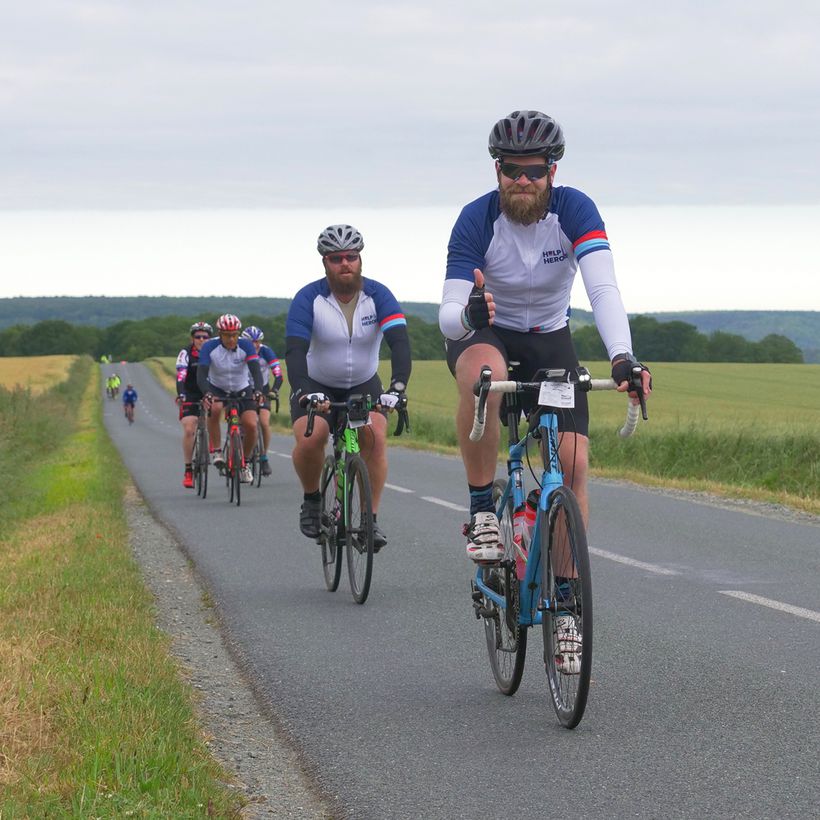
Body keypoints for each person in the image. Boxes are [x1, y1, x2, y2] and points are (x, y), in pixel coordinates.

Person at [439, 109, 652, 565]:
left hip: (550, 336)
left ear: (551, 171)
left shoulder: (574, 209)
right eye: (510, 169)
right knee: (485, 372)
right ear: (497, 170)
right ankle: (481, 510)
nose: (522, 179)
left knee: (573, 466)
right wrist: (469, 313)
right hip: (485, 331)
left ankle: (568, 603)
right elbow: (447, 316)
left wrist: (622, 357)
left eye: (533, 170)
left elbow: (602, 287)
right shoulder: (476, 218)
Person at [286, 224, 411, 550]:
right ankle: (312, 499)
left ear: (360, 259)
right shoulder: (309, 298)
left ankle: (370, 520)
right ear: (325, 263)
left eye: (351, 257)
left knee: (375, 438)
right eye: (336, 258)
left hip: (364, 383)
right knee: (311, 439)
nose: (345, 264)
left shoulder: (378, 295)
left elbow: (399, 343)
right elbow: (295, 351)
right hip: (316, 383)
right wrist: (302, 389)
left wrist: (397, 388)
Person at [197, 314, 265, 484]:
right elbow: (201, 373)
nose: (231, 338)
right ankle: (217, 451)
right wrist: (207, 392)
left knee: (251, 425)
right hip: (217, 387)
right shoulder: (209, 347)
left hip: (241, 387)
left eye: (234, 334)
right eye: (227, 335)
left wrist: (258, 390)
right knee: (215, 409)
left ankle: (245, 463)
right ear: (220, 334)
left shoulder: (246, 346)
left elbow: (255, 370)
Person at [240, 326, 283, 477]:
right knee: (244, 423)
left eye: (257, 342)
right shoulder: (240, 350)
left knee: (264, 423)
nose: (255, 345)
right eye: (251, 342)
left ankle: (264, 457)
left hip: (263, 390)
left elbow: (278, 375)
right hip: (244, 390)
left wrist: (274, 390)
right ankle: (242, 447)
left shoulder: (266, 351)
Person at [176, 321, 213, 488]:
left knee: (212, 418)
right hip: (190, 393)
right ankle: (188, 469)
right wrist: (181, 394)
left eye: (205, 337)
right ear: (193, 338)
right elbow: (181, 376)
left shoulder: (214, 352)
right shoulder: (186, 353)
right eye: (198, 337)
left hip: (209, 391)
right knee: (190, 429)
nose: (202, 340)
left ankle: (213, 442)